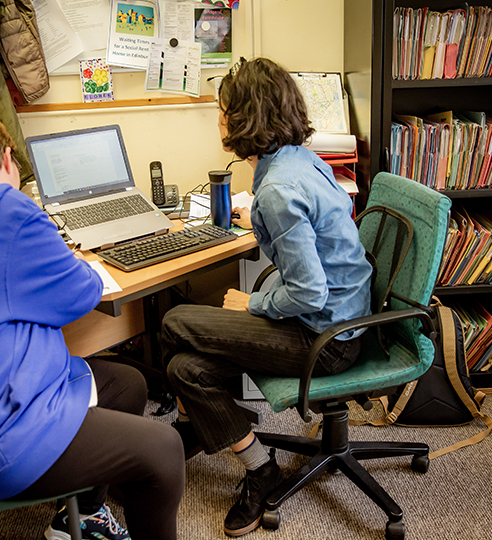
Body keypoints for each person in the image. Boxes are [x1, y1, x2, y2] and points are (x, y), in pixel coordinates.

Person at [0, 111, 184, 540]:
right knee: (163, 450)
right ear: (9, 159)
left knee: (128, 384)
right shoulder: (10, 210)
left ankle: (79, 518)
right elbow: (82, 294)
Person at [160, 57, 374, 538]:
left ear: (244, 119)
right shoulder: (299, 160)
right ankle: (260, 467)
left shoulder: (278, 186)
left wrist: (252, 305)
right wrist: (257, 218)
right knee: (183, 370)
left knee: (175, 322)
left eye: (222, 111)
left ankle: (200, 422)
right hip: (342, 317)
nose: (218, 120)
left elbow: (309, 290)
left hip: (326, 339)